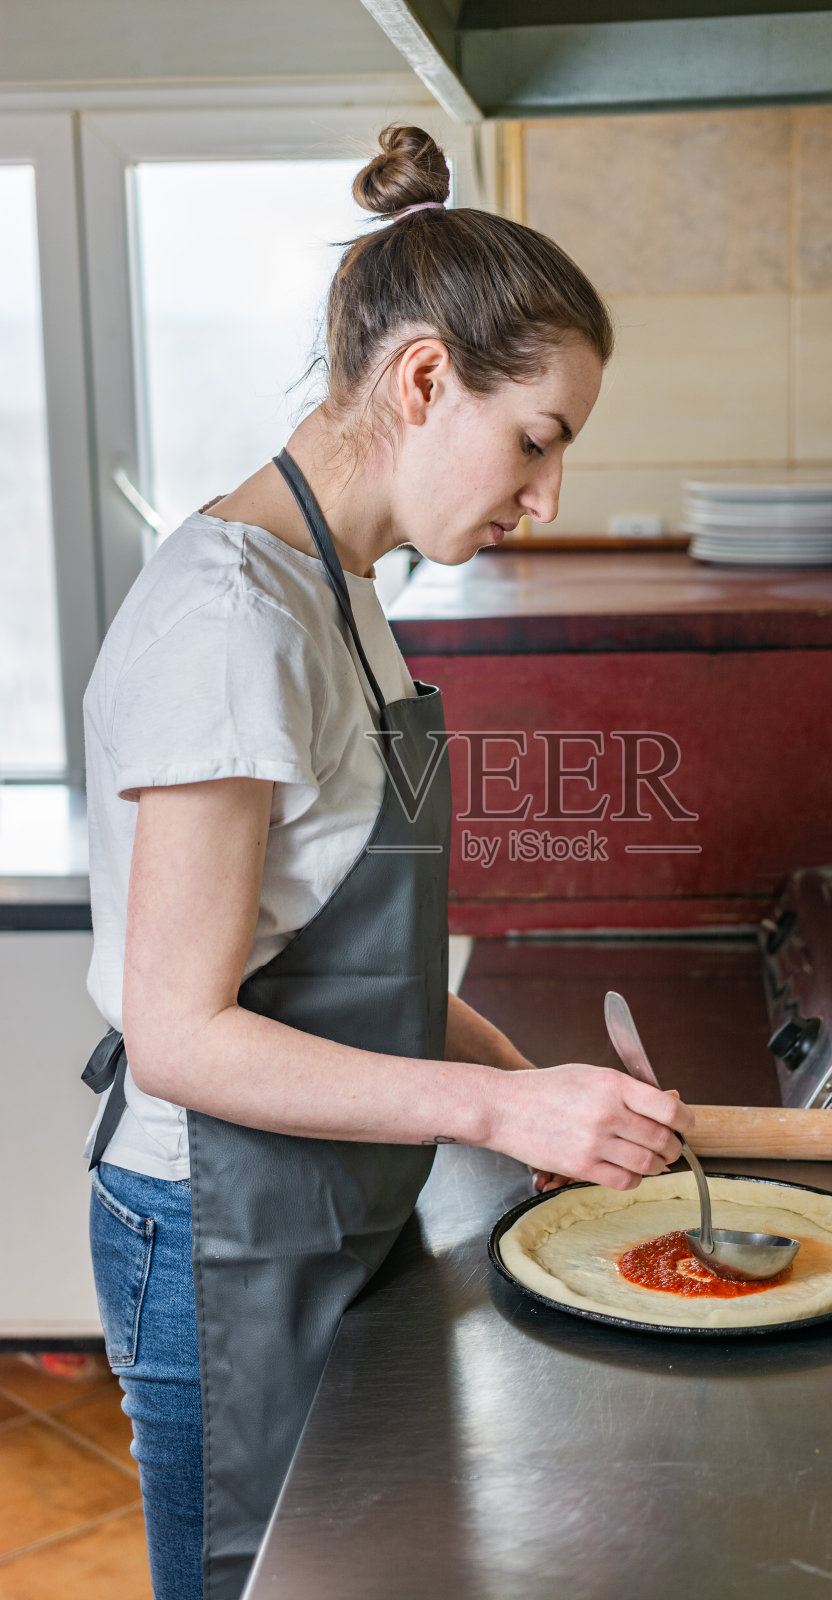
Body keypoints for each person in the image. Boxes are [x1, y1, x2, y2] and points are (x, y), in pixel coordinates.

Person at [80, 124, 693, 1600]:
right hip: (219, 1226)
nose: (547, 495)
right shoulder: (231, 621)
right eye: (537, 439)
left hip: (327, 1196)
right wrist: (498, 1106)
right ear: (424, 380)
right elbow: (179, 1035)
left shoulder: (339, 586)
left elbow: (343, 959)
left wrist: (540, 1102)